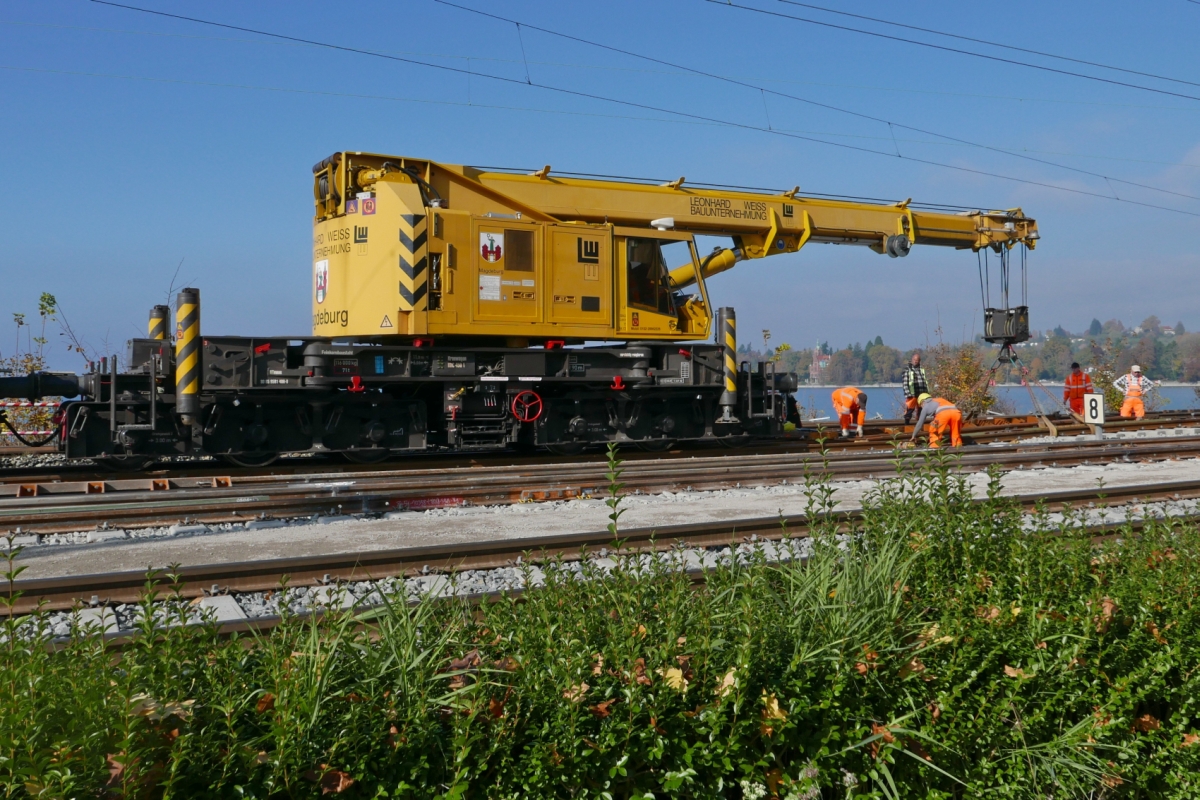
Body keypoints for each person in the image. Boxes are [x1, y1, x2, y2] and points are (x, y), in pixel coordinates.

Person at [902, 352, 928, 424]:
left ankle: (920, 421)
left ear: (919, 361)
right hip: (912, 392)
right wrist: (907, 393)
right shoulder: (907, 369)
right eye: (914, 359)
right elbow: (905, 382)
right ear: (912, 360)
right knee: (910, 408)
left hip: (922, 392)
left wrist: (927, 392)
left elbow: (925, 381)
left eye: (917, 360)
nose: (916, 361)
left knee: (921, 408)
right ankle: (907, 422)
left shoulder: (922, 370)